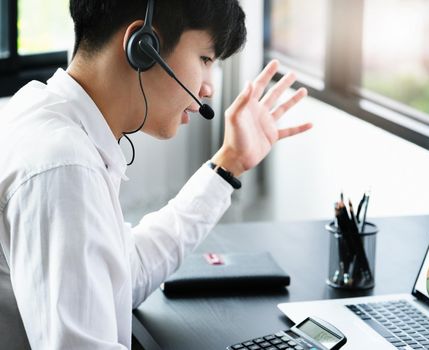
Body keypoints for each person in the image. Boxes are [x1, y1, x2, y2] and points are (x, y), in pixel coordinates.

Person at [0, 0, 311, 348]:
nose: (209, 87)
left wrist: (229, 164)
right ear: (142, 46)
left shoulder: (45, 113)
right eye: (205, 59)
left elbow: (122, 275)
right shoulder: (64, 168)